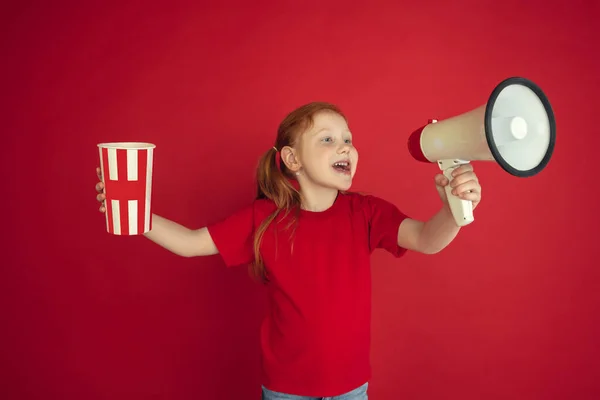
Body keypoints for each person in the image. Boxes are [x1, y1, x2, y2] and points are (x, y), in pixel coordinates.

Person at [94, 102, 482, 400]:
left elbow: (427, 240)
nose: (344, 145)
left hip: (351, 388)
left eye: (347, 138)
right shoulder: (264, 219)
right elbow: (192, 243)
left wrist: (453, 210)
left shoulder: (366, 211)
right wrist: (136, 215)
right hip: (286, 391)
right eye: (327, 139)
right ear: (292, 160)